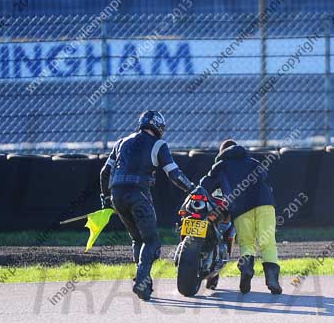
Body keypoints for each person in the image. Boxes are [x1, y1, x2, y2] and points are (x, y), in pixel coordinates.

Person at [99, 110, 195, 301]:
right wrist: (192, 188)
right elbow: (173, 173)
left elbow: (104, 172)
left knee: (138, 239)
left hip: (117, 195)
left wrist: (105, 197)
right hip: (139, 194)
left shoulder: (121, 142)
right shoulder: (159, 144)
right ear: (159, 127)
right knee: (151, 241)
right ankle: (142, 281)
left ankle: (145, 282)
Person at [198, 139, 281, 294]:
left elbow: (205, 185)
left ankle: (247, 271)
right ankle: (272, 280)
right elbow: (266, 179)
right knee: (268, 241)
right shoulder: (253, 162)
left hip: (241, 208)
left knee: (246, 243)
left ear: (222, 153)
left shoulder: (221, 166)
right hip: (265, 204)